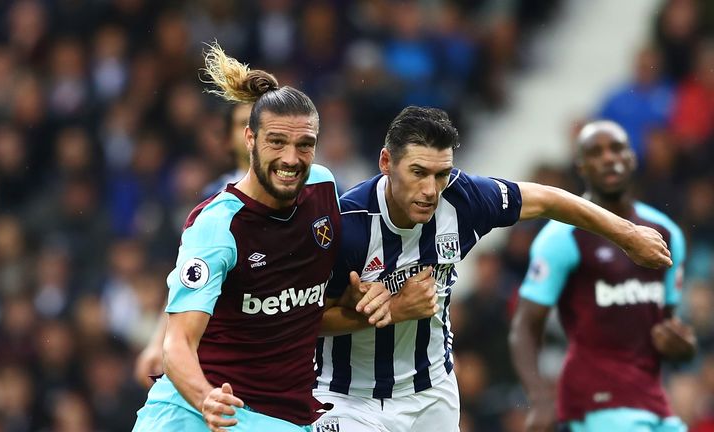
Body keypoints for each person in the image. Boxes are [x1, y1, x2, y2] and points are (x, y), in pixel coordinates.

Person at [312, 108, 673, 432]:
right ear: (386, 162)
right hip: (348, 397)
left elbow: (548, 199)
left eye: (441, 174)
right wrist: (392, 311)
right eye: (418, 172)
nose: (429, 190)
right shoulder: (348, 226)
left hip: (432, 391)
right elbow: (300, 320)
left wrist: (627, 234)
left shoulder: (464, 198)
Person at [132, 43, 343, 432]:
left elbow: (320, 308)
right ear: (249, 139)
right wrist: (204, 398)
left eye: (304, 145)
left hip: (280, 418)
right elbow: (177, 343)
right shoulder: (216, 226)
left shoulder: (325, 189)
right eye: (276, 142)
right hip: (196, 412)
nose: (291, 159)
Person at [508, 120, 696, 432]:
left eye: (617, 148)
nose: (609, 158)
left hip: (652, 402)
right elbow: (526, 325)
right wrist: (540, 400)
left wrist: (683, 347)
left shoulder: (667, 233)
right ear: (581, 166)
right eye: (596, 152)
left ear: (632, 158)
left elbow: (667, 329)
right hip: (594, 403)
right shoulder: (561, 237)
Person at [133, 102, 253, 389]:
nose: (252, 131)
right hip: (228, 339)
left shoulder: (312, 187)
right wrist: (158, 342)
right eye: (242, 124)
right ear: (225, 138)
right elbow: (189, 277)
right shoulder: (213, 200)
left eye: (259, 122)